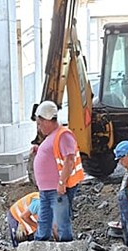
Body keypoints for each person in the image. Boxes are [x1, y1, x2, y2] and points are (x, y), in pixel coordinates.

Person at [31, 100, 84, 242]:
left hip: (57, 189)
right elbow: (54, 154)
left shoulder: (64, 135)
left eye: (40, 123)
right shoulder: (53, 136)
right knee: (44, 220)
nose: (39, 127)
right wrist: (39, 150)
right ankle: (39, 246)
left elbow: (69, 160)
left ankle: (66, 248)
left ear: (47, 120)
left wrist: (61, 183)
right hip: (47, 189)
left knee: (61, 221)